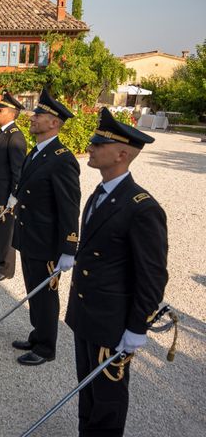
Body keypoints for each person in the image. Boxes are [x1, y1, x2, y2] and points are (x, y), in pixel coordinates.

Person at [65, 108, 168, 437]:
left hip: (112, 321)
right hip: (87, 313)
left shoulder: (142, 208)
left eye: (99, 144)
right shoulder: (99, 192)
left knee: (108, 399)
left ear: (122, 154)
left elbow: (152, 278)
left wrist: (137, 328)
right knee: (87, 388)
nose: (91, 148)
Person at [10, 88, 81, 366]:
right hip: (30, 236)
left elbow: (69, 207)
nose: (33, 117)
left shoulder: (62, 158)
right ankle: (37, 333)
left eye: (39, 114)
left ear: (54, 122)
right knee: (33, 291)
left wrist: (68, 248)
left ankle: (46, 347)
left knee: (46, 296)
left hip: (47, 241)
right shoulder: (38, 152)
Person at [0, 91, 27, 281]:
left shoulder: (15, 137)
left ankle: (6, 269)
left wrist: (14, 195)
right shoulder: (4, 133)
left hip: (6, 195)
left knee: (6, 232)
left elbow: (18, 171)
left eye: (0, 109)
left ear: (11, 112)